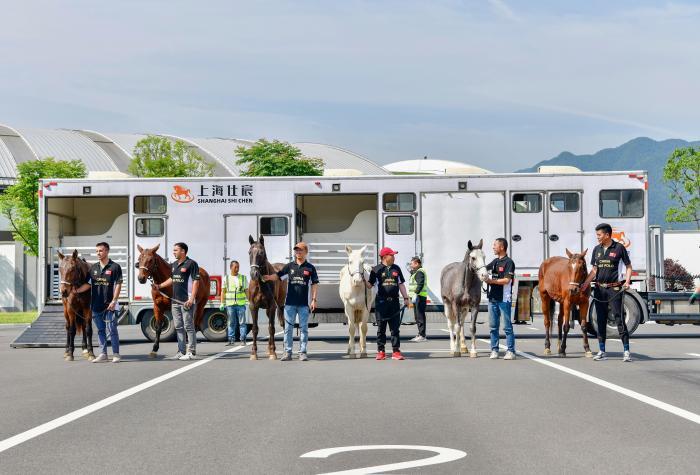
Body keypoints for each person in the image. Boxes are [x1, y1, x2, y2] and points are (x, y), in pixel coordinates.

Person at [263, 242, 318, 361]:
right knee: (288, 329)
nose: (298, 252)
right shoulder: (289, 266)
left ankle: (302, 352)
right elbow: (278, 276)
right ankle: (287, 352)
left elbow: (314, 284)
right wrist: (268, 277)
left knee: (304, 329)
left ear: (305, 252)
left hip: (304, 304)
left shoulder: (310, 268)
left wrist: (313, 300)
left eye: (300, 250)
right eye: (296, 250)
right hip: (289, 304)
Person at [589, 223, 633, 362]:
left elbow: (628, 266)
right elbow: (594, 270)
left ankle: (626, 351)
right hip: (599, 289)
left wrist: (627, 281)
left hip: (614, 289)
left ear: (607, 235)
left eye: (599, 235)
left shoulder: (619, 248)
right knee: (600, 320)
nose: (597, 237)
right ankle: (602, 351)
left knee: (619, 318)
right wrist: (585, 284)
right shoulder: (597, 249)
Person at [74, 242, 123, 363]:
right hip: (96, 305)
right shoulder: (93, 268)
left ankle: (116, 354)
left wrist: (114, 300)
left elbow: (118, 284)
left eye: (100, 251)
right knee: (101, 330)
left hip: (110, 305)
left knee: (112, 329)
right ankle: (103, 354)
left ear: (107, 251)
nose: (98, 253)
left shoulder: (115, 267)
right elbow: (88, 284)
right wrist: (76, 291)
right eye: (97, 251)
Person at [152, 242, 200, 361]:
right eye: (173, 250)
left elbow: (196, 281)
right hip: (175, 301)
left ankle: (191, 352)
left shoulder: (191, 264)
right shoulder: (173, 265)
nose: (173, 252)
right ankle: (181, 351)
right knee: (178, 327)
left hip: (186, 301)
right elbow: (172, 279)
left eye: (175, 250)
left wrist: (192, 298)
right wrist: (159, 286)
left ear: (183, 251)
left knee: (188, 326)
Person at [366, 247, 409, 360]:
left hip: (394, 302)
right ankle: (381, 351)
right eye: (392, 255)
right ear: (385, 257)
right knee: (381, 328)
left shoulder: (396, 268)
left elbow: (401, 284)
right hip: (381, 302)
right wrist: (361, 277)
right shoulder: (376, 270)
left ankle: (396, 351)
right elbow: (370, 285)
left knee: (395, 328)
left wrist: (406, 297)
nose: (394, 257)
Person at [485, 238, 516, 360]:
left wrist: (491, 281)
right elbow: (483, 269)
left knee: (507, 327)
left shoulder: (509, 262)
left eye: (495, 245)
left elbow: (507, 280)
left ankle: (511, 351)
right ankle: (494, 350)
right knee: (493, 327)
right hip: (492, 299)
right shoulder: (494, 261)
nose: (493, 247)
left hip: (504, 300)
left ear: (502, 247)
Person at [220, 260, 249, 346]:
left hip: (241, 304)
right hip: (230, 304)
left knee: (242, 323)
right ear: (231, 267)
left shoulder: (243, 278)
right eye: (235, 267)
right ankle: (231, 339)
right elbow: (223, 291)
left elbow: (246, 290)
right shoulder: (226, 278)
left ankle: (243, 339)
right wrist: (222, 303)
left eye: (238, 267)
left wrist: (250, 300)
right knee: (231, 322)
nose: (237, 269)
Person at [408, 256, 428, 342]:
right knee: (418, 316)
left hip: (419, 297)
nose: (410, 265)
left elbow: (420, 284)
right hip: (417, 297)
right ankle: (420, 334)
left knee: (420, 316)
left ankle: (422, 335)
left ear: (416, 263)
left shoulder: (419, 272)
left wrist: (416, 294)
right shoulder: (416, 272)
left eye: (411, 263)